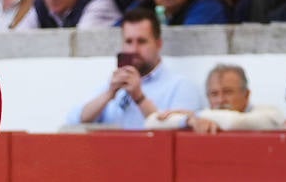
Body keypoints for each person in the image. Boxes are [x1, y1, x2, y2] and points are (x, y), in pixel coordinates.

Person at [65, 7, 202, 128]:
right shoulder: (112, 86)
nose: (134, 49)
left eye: (141, 41)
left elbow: (179, 128)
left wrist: (139, 98)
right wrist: (109, 94)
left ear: (158, 44)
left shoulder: (180, 86)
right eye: (128, 41)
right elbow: (74, 121)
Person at [146, 63, 286, 132]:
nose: (220, 100)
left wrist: (196, 115)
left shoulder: (269, 114)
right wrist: (187, 120)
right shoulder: (200, 118)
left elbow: (234, 122)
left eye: (228, 92)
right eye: (214, 94)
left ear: (246, 94)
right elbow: (151, 122)